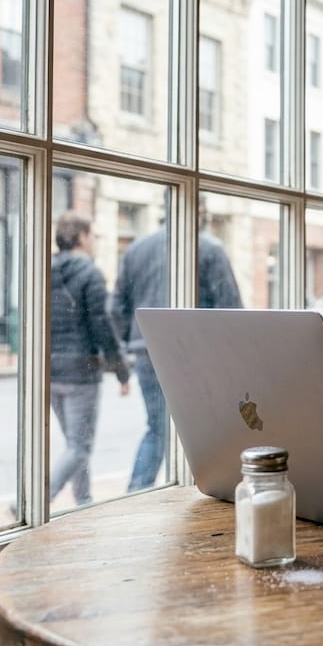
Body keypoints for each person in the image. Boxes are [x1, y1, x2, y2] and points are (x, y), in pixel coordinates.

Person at [109, 196, 243, 491]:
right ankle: (208, 489)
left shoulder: (136, 250)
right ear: (198, 211)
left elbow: (117, 306)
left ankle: (137, 492)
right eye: (202, 208)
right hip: (193, 355)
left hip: (145, 350)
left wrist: (128, 344)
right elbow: (230, 308)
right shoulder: (210, 249)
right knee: (203, 431)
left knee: (158, 430)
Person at [49, 212, 131, 507]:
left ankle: (83, 502)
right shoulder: (90, 274)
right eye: (93, 235)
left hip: (50, 370)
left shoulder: (45, 270)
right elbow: (102, 327)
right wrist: (122, 372)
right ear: (81, 237)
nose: (94, 241)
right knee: (79, 446)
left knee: (74, 445)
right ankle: (36, 497)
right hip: (80, 372)